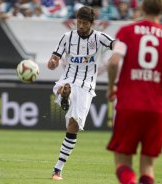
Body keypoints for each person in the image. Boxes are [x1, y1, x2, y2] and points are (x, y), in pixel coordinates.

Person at [106, 0, 162, 183]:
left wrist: (112, 87)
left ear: (142, 8)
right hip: (157, 109)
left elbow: (113, 63)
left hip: (129, 104)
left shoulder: (127, 31)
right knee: (148, 167)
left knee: (122, 162)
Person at [47, 5, 115, 180]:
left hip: (86, 86)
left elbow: (116, 44)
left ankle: (58, 169)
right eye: (79, 22)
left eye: (84, 23)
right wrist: (53, 62)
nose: (81, 26)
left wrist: (119, 53)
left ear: (92, 23)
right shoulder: (67, 37)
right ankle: (65, 95)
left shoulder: (99, 38)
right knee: (65, 87)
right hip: (68, 79)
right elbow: (54, 58)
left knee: (74, 126)